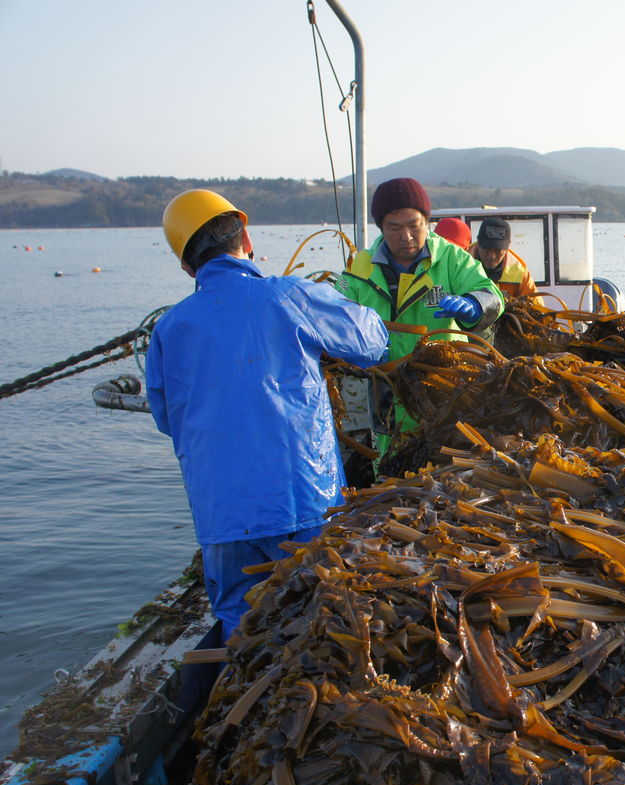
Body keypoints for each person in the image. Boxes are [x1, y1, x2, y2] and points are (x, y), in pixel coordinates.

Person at [146, 189, 389, 643]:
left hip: (221, 514)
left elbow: (166, 416)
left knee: (243, 626)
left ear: (185, 264)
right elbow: (372, 342)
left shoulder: (169, 328)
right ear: (247, 239)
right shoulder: (290, 295)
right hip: (303, 499)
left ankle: (243, 698)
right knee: (319, 617)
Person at [338, 178, 503, 445]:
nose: (406, 237)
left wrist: (474, 305)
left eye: (414, 226)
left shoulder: (452, 259)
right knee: (389, 470)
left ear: (427, 222)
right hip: (386, 392)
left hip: (445, 391)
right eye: (394, 228)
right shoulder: (360, 270)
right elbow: (335, 316)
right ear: (380, 227)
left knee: (447, 474)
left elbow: (490, 294)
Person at [471, 216, 543, 306]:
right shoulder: (460, 264)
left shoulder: (519, 271)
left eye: (498, 251)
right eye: (487, 249)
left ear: (507, 248)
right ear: (478, 243)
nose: (492, 256)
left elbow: (537, 306)